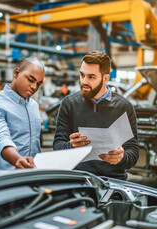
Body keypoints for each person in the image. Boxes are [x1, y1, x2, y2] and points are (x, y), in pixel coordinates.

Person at [53, 50, 139, 179]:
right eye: (82, 75)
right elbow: (57, 146)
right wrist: (71, 146)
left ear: (105, 78)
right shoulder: (69, 104)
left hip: (113, 180)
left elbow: (133, 152)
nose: (84, 81)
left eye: (91, 77)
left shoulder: (123, 107)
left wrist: (121, 158)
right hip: (78, 178)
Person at [0, 57, 45, 170]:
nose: (34, 87)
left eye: (38, 84)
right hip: (5, 180)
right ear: (17, 73)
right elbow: (2, 137)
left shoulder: (34, 106)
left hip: (31, 176)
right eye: (30, 79)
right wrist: (18, 159)